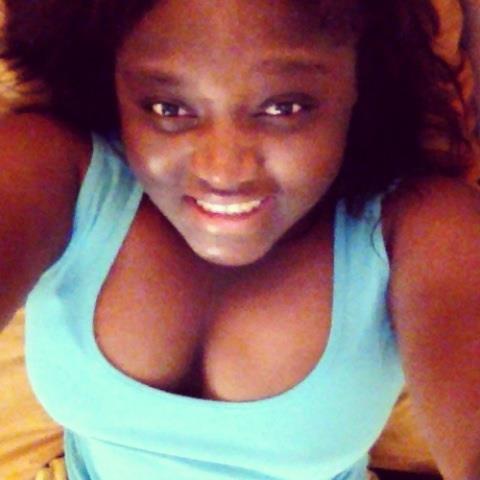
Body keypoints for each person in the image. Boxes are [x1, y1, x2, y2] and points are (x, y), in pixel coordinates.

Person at [0, 1, 479, 479]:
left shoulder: (423, 227)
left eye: (283, 107)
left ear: (361, 82)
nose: (223, 171)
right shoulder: (54, 167)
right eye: (169, 108)